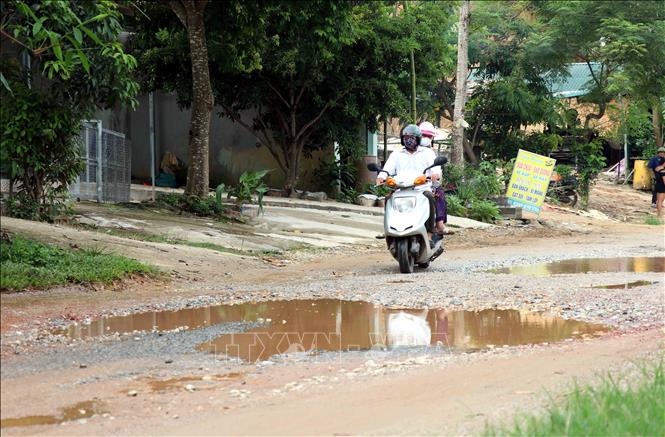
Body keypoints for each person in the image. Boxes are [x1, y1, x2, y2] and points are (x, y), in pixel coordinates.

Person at [376, 124, 443, 246]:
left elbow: (436, 168)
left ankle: (429, 232)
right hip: (401, 190)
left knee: (430, 198)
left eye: (412, 137)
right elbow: (387, 170)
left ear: (418, 138)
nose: (409, 140)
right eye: (406, 137)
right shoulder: (396, 154)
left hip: (421, 189)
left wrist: (435, 174)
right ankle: (388, 229)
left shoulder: (427, 153)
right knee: (388, 199)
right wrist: (381, 177)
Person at [419, 121, 448, 236]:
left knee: (437, 194)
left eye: (428, 136)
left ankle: (437, 225)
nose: (425, 138)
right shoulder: (402, 153)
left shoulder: (431, 154)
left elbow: (436, 173)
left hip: (426, 185)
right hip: (408, 185)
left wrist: (433, 182)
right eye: (423, 135)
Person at [652, 149, 665, 218]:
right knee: (660, 201)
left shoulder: (657, 168)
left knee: (658, 201)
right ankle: (659, 215)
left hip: (657, 184)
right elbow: (664, 180)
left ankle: (658, 214)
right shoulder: (663, 170)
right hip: (662, 186)